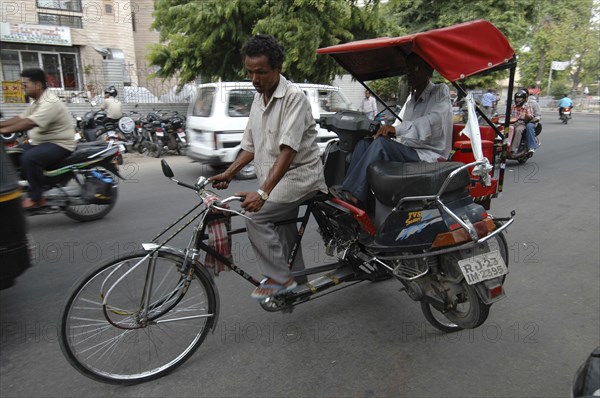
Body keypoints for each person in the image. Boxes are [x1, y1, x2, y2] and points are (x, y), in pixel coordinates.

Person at [208, 34, 327, 300]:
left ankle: (280, 279)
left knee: (256, 216)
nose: (254, 79)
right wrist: (229, 173)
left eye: (261, 72)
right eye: (250, 72)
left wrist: (262, 194)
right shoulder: (258, 97)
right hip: (276, 179)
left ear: (277, 69)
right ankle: (296, 283)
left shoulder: (294, 98)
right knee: (284, 231)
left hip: (300, 178)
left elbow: (288, 151)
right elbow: (250, 147)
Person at [334, 52, 452, 206]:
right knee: (364, 143)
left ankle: (354, 194)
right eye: (408, 70)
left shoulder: (440, 91)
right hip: (410, 149)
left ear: (428, 70)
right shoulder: (411, 100)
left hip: (429, 155)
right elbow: (404, 130)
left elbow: (432, 122)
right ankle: (349, 190)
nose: (410, 74)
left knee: (381, 145)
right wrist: (388, 133)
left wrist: (396, 131)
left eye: (415, 68)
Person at [0, 68, 76, 209]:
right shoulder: (36, 102)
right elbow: (20, 118)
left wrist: (4, 130)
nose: (23, 88)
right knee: (13, 154)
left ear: (38, 85)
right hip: (41, 143)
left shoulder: (50, 102)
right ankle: (27, 186)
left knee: (29, 158)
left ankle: (37, 196)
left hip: (60, 144)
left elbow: (29, 123)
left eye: (25, 85)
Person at [511, 89, 540, 154]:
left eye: (520, 98)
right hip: (513, 123)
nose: (518, 99)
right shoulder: (513, 106)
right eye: (517, 98)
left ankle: (529, 147)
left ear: (525, 97)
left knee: (525, 127)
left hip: (526, 122)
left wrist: (528, 117)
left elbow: (537, 115)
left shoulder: (530, 105)